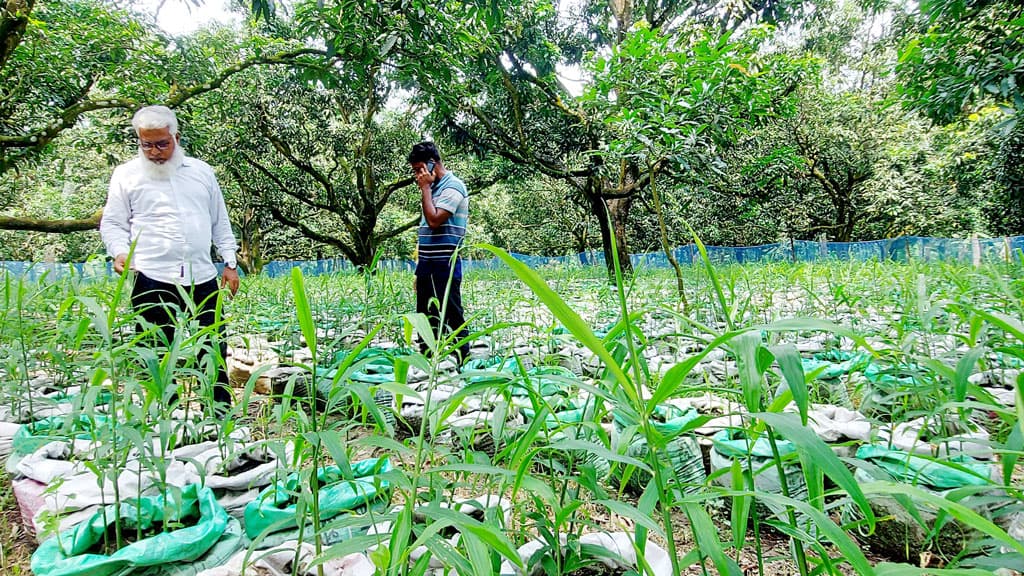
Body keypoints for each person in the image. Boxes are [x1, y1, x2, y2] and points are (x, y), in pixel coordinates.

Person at [100, 105, 239, 413]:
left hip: (202, 275)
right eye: (146, 144)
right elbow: (113, 222)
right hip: (152, 275)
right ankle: (164, 414)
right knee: (155, 348)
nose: (155, 152)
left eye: (162, 143)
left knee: (213, 346)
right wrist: (119, 251)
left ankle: (219, 412)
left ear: (176, 137)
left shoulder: (202, 173)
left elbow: (220, 221)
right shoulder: (126, 175)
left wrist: (229, 262)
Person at [408, 141, 470, 364]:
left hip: (446, 260)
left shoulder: (453, 187)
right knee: (425, 313)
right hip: (427, 260)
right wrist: (419, 267)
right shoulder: (432, 189)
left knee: (451, 310)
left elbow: (434, 220)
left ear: (432, 163)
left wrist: (425, 189)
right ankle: (428, 360)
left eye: (419, 170)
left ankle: (463, 357)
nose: (417, 176)